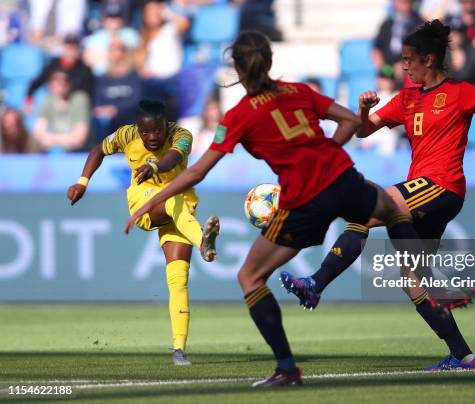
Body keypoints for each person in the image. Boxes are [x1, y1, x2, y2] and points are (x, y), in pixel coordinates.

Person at [280, 20, 475, 372]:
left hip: (442, 185)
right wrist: (364, 108)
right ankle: (463, 355)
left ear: (428, 59)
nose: (404, 65)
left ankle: (316, 283)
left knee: (367, 209)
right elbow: (364, 131)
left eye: (409, 59)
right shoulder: (407, 98)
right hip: (422, 192)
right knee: (412, 281)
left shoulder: (461, 93)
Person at [125, 31, 429, 387]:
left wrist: (153, 200)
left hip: (304, 198)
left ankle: (287, 369)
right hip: (344, 177)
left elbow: (197, 170)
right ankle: (428, 288)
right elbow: (349, 121)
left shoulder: (238, 116)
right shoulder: (298, 91)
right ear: (269, 61)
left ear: (237, 68)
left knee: (250, 277)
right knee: (393, 210)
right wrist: (327, 155)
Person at [67, 100, 220, 365]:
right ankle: (202, 241)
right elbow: (98, 150)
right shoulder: (126, 134)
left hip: (181, 209)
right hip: (144, 201)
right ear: (138, 127)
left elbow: (174, 156)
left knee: (178, 278)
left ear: (165, 125)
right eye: (146, 131)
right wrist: (83, 181)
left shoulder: (181, 135)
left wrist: (156, 166)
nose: (152, 137)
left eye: (157, 131)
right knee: (171, 201)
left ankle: (178, 350)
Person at [93, 37, 144, 138]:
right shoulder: (103, 78)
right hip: (109, 121)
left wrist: (116, 109)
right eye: (113, 49)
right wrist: (104, 110)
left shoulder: (134, 76)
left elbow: (137, 100)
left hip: (130, 119)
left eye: (120, 49)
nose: (117, 53)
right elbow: (98, 101)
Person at [26, 35, 94, 109]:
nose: (71, 51)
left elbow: (88, 93)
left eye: (74, 48)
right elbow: (37, 82)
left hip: (75, 106)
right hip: (55, 104)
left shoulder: (84, 69)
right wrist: (29, 99)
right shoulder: (53, 66)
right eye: (69, 48)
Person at [33, 69, 91, 152]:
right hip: (53, 152)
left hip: (79, 154)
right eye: (56, 79)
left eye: (65, 79)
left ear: (70, 83)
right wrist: (66, 139)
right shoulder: (47, 100)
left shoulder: (80, 99)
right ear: (50, 84)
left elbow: (80, 139)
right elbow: (38, 133)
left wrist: (52, 139)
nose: (61, 83)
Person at [372, 0, 423, 89]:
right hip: (388, 68)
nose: (404, 3)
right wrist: (383, 69)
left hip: (409, 69)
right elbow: (376, 49)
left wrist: (404, 65)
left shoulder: (419, 24)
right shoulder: (386, 24)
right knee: (383, 83)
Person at [83, 1, 140, 77]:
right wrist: (113, 56)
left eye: (117, 17)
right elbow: (88, 59)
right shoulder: (96, 37)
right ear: (104, 19)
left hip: (127, 76)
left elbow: (138, 56)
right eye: (111, 17)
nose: (114, 21)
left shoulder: (131, 34)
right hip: (101, 78)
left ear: (122, 19)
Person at [447, 16, 475, 95]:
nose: (453, 37)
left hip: (471, 99)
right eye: (450, 33)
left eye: (457, 33)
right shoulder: (439, 56)